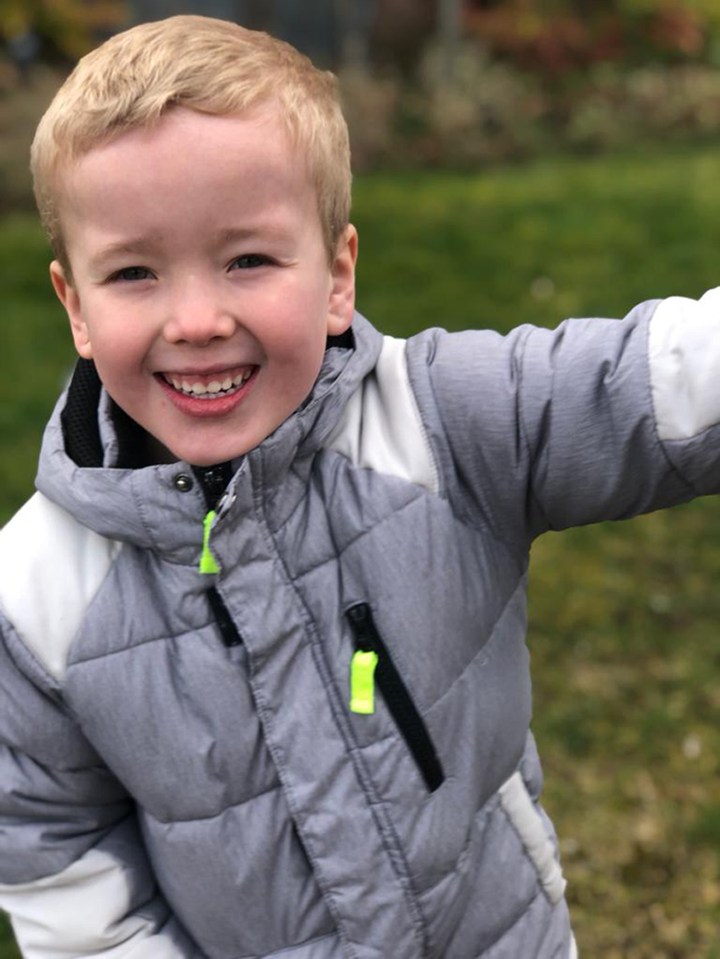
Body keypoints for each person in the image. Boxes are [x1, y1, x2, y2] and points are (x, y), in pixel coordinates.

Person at [0, 14, 717, 959]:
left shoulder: (440, 424)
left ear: (337, 274)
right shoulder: (34, 596)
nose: (199, 318)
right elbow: (55, 855)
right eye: (134, 272)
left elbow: (633, 386)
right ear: (75, 306)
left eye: (248, 259)